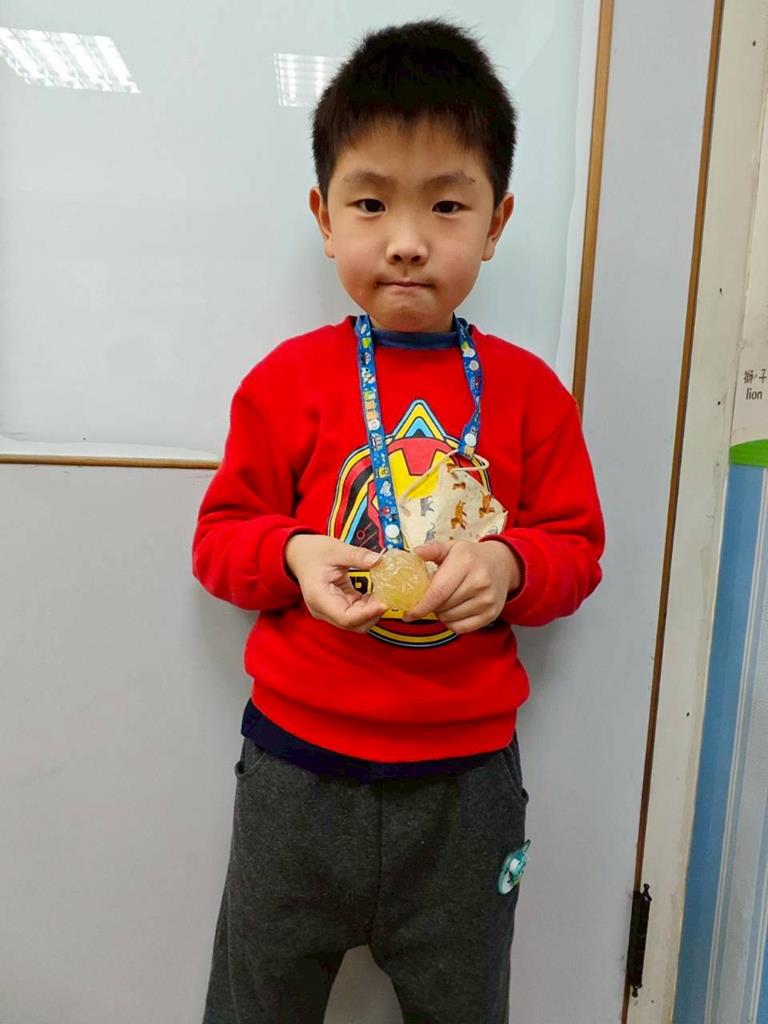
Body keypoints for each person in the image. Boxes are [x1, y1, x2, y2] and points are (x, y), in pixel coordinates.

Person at [192, 17, 604, 1024]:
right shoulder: (285, 382)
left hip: (465, 788)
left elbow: (577, 548)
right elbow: (219, 538)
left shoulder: (532, 394)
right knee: (254, 1004)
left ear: (497, 221)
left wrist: (510, 567)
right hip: (295, 772)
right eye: (371, 202)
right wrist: (293, 552)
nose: (408, 238)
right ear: (324, 216)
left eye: (447, 204)